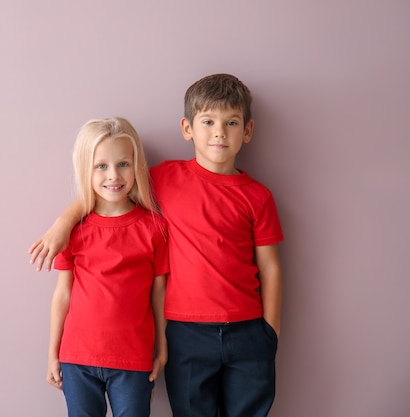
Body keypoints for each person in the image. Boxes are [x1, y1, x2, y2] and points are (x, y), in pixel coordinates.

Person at [31, 74, 284, 417]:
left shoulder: (258, 196)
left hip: (248, 330)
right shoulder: (163, 178)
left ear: (248, 130)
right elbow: (108, 186)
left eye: (231, 123)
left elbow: (270, 266)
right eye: (208, 121)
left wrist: (270, 331)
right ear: (187, 128)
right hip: (185, 332)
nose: (219, 132)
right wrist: (63, 223)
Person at [46, 117, 169, 417]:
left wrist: (162, 347)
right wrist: (52, 352)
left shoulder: (154, 227)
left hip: (133, 358)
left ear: (136, 165)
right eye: (101, 166)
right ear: (85, 170)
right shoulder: (74, 230)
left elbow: (159, 294)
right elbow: (63, 294)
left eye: (123, 164)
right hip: (78, 358)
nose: (113, 175)